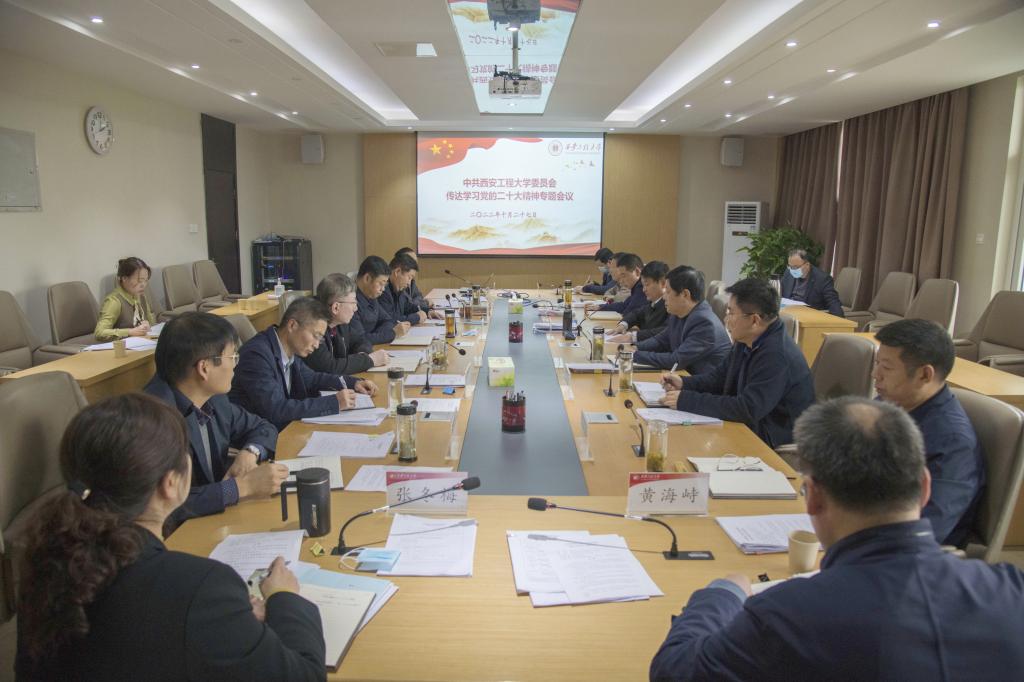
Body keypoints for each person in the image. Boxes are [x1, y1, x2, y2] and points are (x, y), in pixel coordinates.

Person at [650, 397, 1024, 681]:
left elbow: (675, 670)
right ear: (925, 487)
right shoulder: (1013, 589)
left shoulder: (787, 615)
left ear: (812, 496)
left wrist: (722, 593)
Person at [15, 393, 326, 681]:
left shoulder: (48, 561)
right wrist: (284, 597)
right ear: (170, 484)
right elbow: (306, 675)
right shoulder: (200, 587)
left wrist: (229, 619)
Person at [143, 311, 286, 525]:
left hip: (212, 521)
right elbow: (163, 505)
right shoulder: (152, 421)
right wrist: (243, 487)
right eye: (233, 357)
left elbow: (263, 427)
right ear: (204, 368)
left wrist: (250, 453)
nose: (236, 365)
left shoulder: (214, 398)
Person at [661, 278, 814, 447]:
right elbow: (718, 378)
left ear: (754, 320)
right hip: (748, 426)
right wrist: (684, 383)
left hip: (771, 437)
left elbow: (747, 408)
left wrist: (687, 400)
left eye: (731, 313)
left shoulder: (777, 355)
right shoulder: (747, 339)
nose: (726, 318)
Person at [874, 318, 985, 546]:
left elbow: (926, 530)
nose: (876, 374)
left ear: (925, 375)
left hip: (902, 553)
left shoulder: (952, 442)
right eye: (877, 364)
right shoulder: (888, 403)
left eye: (886, 368)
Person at [229, 297, 377, 431]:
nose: (317, 345)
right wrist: (334, 403)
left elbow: (313, 378)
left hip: (285, 430)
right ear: (292, 325)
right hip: (261, 437)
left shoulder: (287, 348)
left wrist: (353, 383)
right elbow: (276, 409)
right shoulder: (257, 355)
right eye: (315, 336)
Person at [631, 266, 731, 372]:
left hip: (699, 380)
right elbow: (661, 340)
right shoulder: (679, 312)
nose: (664, 297)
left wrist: (634, 355)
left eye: (668, 292)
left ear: (685, 294)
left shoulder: (705, 323)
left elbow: (675, 361)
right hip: (683, 375)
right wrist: (635, 347)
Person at [306, 273, 388, 376]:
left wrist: (363, 353)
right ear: (336, 307)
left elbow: (360, 340)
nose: (356, 308)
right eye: (353, 303)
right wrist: (369, 360)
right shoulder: (313, 327)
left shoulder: (341, 322)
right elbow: (329, 367)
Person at [94, 256, 157, 341]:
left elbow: (152, 323)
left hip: (141, 342)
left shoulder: (141, 296)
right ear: (124, 278)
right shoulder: (114, 301)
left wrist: (148, 325)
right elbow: (99, 332)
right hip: (121, 346)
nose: (143, 285)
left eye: (146, 280)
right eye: (139, 280)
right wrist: (130, 332)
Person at [606, 260, 669, 344]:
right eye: (643, 285)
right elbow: (636, 314)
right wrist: (623, 325)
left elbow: (664, 331)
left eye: (647, 285)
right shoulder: (653, 302)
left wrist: (634, 337)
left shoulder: (669, 305)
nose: (644, 290)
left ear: (663, 283)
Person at [351, 255, 408, 345]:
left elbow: (388, 320)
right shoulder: (349, 301)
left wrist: (376, 336)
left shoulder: (371, 295)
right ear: (367, 278)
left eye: (384, 285)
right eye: (381, 284)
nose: (383, 289)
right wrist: (392, 333)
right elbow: (360, 340)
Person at [378, 253, 440, 324]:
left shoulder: (399, 289)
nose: (409, 283)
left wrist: (427, 311)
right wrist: (417, 317)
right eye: (409, 277)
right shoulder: (382, 291)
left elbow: (408, 307)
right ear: (397, 272)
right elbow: (390, 320)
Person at [780, 248, 844, 317]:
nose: (792, 270)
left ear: (807, 265)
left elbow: (833, 302)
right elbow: (780, 292)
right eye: (790, 266)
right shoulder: (789, 272)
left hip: (807, 315)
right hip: (787, 312)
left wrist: (840, 321)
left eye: (796, 267)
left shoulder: (822, 279)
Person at [395, 246, 431, 312]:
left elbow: (419, 297)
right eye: (411, 261)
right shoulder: (398, 282)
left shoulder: (411, 280)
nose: (415, 264)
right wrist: (426, 303)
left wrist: (423, 305)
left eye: (415, 262)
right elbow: (408, 305)